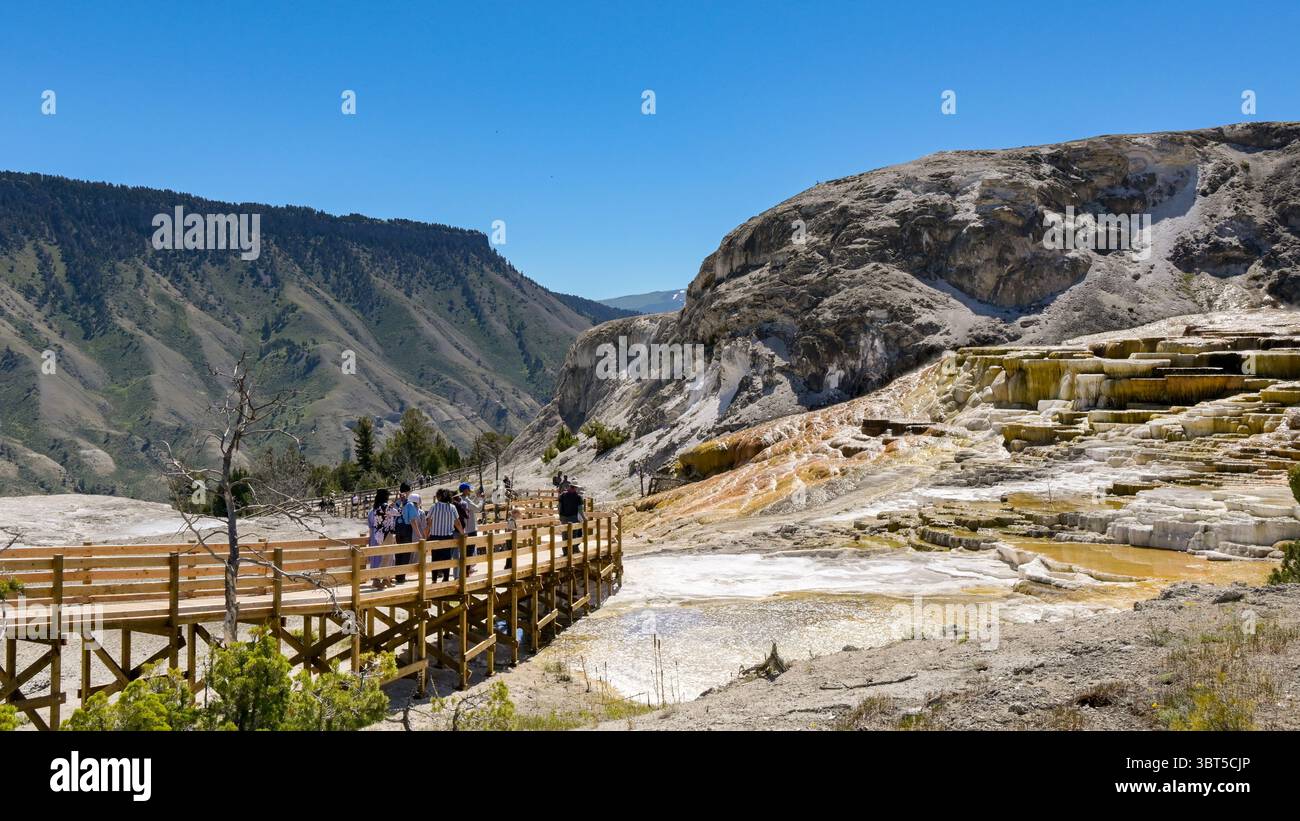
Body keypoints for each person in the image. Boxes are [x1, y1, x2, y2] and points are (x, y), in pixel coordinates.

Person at [425, 488, 463, 583]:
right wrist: (462, 533)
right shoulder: (452, 507)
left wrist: (426, 534)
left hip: (435, 536)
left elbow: (429, 521)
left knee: (435, 558)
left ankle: (434, 579)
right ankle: (445, 578)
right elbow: (457, 522)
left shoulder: (434, 507)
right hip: (447, 537)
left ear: (440, 496)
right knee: (447, 558)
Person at [367, 489, 396, 590]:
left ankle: (385, 579)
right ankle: (378, 579)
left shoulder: (373, 509)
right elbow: (397, 514)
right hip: (386, 534)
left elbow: (371, 526)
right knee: (387, 557)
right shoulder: (385, 507)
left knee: (379, 558)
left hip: (376, 535)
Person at [394, 482, 416, 584]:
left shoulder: (396, 503)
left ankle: (398, 575)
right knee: (406, 553)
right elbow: (413, 520)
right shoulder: (410, 504)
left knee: (398, 552)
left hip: (398, 530)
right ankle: (402, 576)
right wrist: (419, 533)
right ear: (407, 491)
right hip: (407, 529)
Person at [557, 482, 585, 554]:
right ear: (575, 488)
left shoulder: (562, 495)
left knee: (565, 535)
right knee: (575, 535)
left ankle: (566, 552)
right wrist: (584, 518)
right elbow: (580, 510)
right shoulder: (578, 497)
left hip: (564, 518)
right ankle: (573, 550)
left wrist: (560, 516)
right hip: (573, 518)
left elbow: (559, 507)